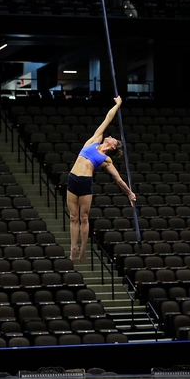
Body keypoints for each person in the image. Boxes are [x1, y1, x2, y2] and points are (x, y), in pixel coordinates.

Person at [65, 95, 135, 262]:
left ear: (113, 146)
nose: (110, 136)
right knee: (73, 217)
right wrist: (118, 104)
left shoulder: (106, 160)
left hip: (85, 184)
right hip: (73, 179)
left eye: (113, 139)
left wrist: (129, 193)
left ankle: (83, 248)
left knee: (83, 217)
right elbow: (108, 118)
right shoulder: (94, 140)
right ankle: (73, 246)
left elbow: (118, 179)